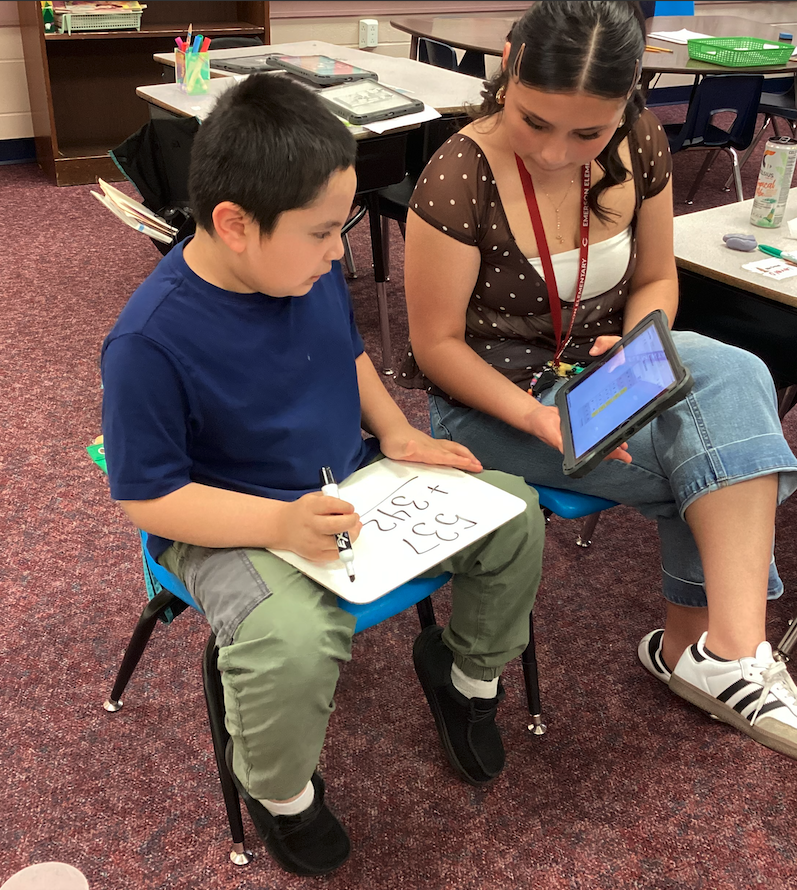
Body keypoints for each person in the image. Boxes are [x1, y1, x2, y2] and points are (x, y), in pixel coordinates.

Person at [100, 75, 545, 877]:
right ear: (234, 225)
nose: (339, 250)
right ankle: (280, 793)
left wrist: (399, 431)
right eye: (320, 233)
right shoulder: (147, 343)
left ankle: (467, 675)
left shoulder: (296, 270)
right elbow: (147, 496)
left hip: (348, 487)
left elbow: (348, 354)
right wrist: (274, 524)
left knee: (512, 514)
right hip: (227, 525)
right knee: (292, 640)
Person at [400, 0, 797, 774]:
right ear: (508, 66)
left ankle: (726, 650)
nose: (553, 152)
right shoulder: (456, 176)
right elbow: (435, 347)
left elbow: (656, 278)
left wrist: (641, 341)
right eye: (536, 122)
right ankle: (705, 654)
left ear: (625, 101)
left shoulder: (639, 140)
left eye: (587, 133)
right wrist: (536, 422)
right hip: (494, 399)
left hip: (601, 369)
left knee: (737, 370)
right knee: (702, 463)